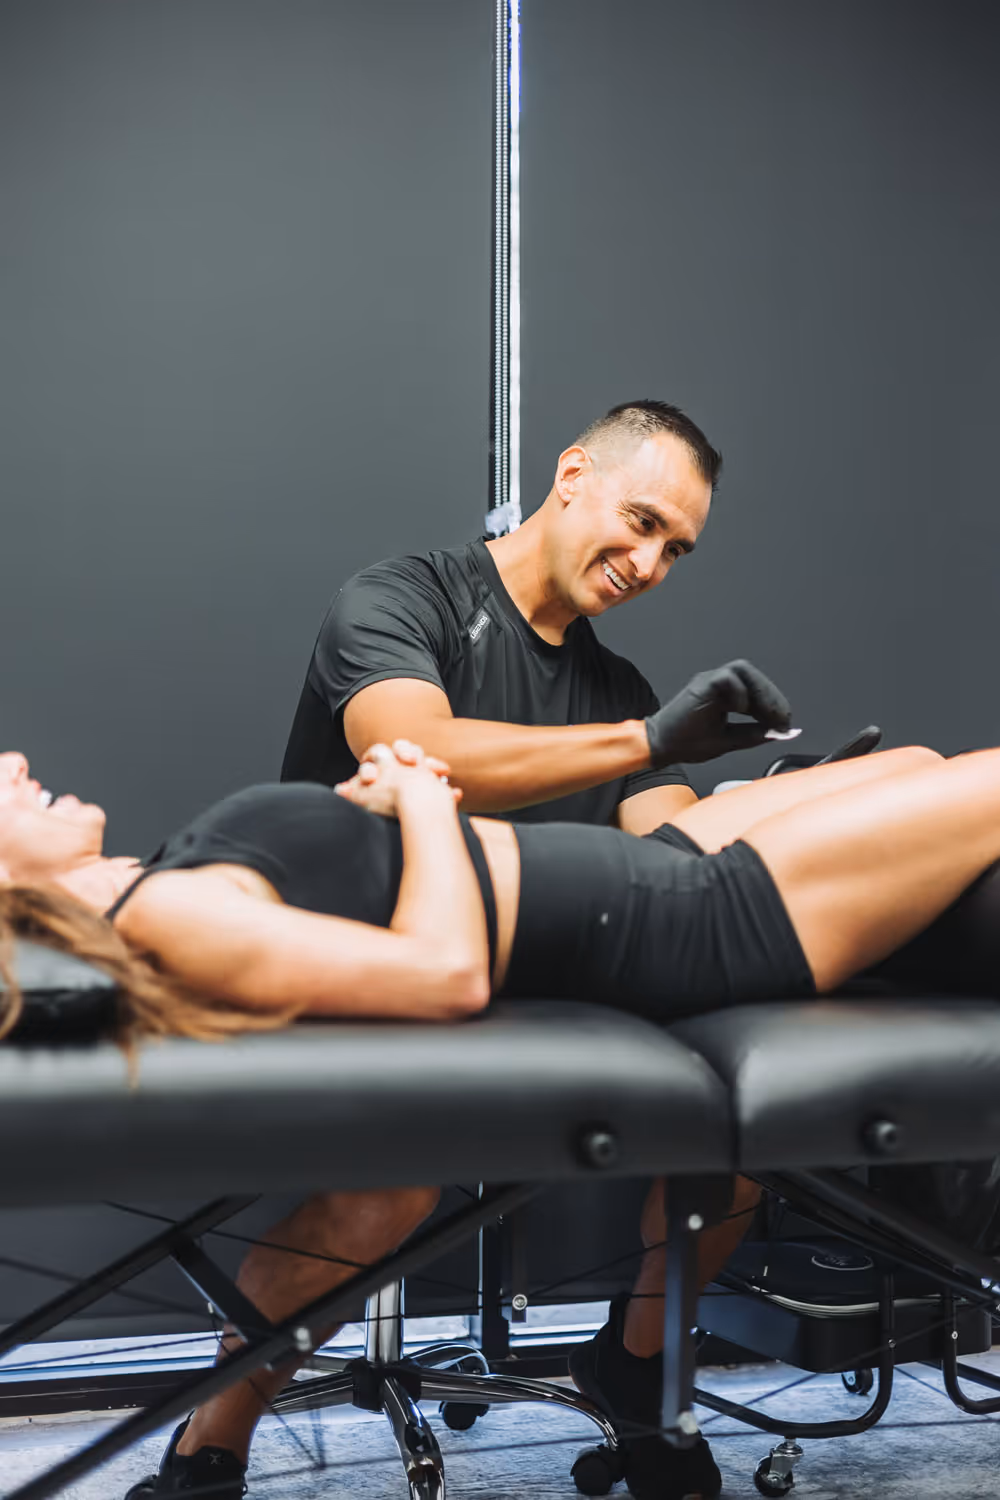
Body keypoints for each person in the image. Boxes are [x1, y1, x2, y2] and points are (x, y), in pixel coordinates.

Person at [4, 717, 1000, 1499]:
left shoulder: (137, 892)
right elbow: (443, 973)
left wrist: (368, 818)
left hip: (656, 869)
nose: (12, 760)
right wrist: (425, 801)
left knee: (912, 758)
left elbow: (342, 900)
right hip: (697, 916)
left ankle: (625, 1365)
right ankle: (212, 1442)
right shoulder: (165, 914)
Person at [280, 398, 768, 1485]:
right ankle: (209, 1435)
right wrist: (643, 742)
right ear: (572, 474)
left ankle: (635, 1370)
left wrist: (795, 809)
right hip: (374, 965)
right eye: (639, 521)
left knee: (735, 1126)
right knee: (397, 1177)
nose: (648, 562)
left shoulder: (617, 690)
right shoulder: (401, 598)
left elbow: (673, 844)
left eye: (675, 549)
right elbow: (415, 751)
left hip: (540, 980)